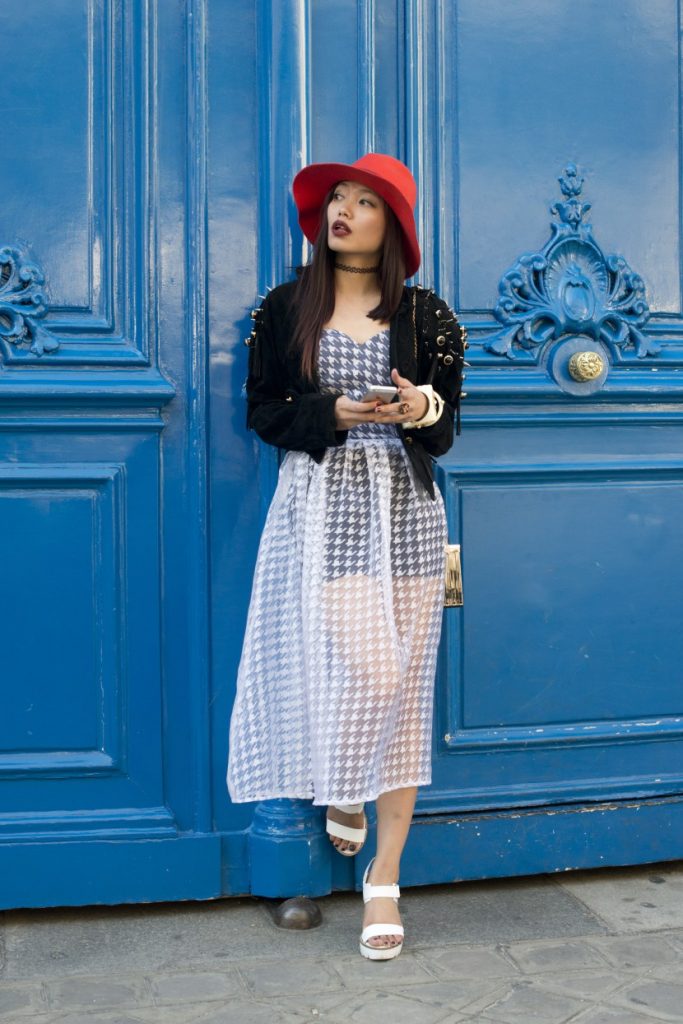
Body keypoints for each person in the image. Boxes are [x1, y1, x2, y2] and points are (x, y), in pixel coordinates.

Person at [227, 153, 466, 960]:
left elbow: (445, 426)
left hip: (405, 510)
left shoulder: (426, 315)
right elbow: (263, 412)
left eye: (364, 202)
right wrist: (332, 408)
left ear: (390, 225)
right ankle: (346, 794)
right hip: (324, 512)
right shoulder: (287, 305)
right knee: (378, 673)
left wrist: (415, 406)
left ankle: (382, 880)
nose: (344, 211)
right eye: (337, 198)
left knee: (406, 688)